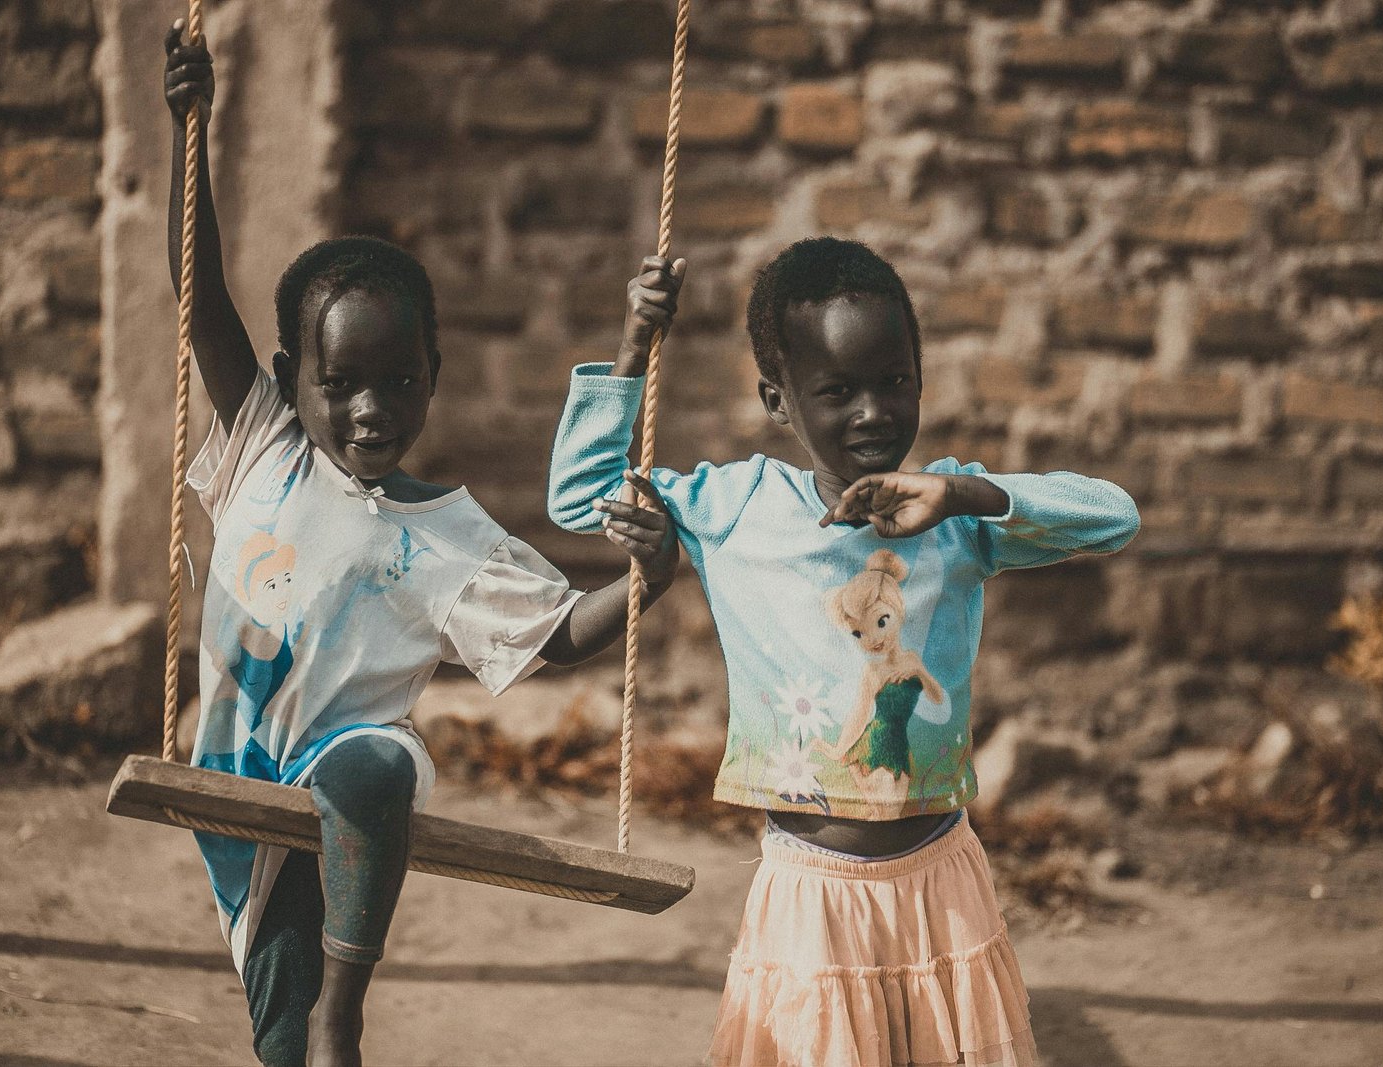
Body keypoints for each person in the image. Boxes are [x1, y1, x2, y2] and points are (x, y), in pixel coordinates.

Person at [162, 23, 678, 1067]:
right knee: (278, 1036)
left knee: (370, 773)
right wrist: (193, 129)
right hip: (236, 774)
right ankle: (310, 1021)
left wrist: (649, 578)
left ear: (434, 375)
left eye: (398, 381)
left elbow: (561, 637)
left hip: (353, 760)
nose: (368, 409)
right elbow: (198, 294)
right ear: (286, 377)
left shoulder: (447, 535)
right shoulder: (265, 446)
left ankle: (347, 1004)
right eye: (339, 382)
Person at [548, 237, 1141, 1066]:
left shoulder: (951, 514)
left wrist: (964, 492)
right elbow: (579, 497)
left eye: (894, 382)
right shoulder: (734, 507)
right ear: (778, 400)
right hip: (812, 892)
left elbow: (1113, 516)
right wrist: (632, 347)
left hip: (943, 882)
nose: (872, 411)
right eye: (837, 391)